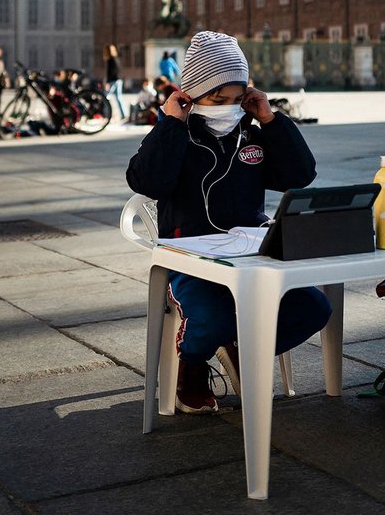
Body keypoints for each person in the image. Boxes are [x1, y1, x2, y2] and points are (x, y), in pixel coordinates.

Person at [126, 31, 331, 413]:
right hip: (189, 258)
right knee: (210, 317)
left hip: (251, 255)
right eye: (218, 100)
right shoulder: (178, 136)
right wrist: (170, 124)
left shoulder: (250, 136)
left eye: (237, 99)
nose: (228, 108)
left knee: (313, 307)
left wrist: (270, 121)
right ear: (192, 95)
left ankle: (238, 344)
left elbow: (299, 175)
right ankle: (192, 364)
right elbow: (147, 181)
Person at [103, 43, 126, 121]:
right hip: (119, 80)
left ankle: (108, 114)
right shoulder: (116, 58)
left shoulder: (110, 60)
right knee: (119, 98)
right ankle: (123, 114)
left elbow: (110, 72)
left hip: (113, 81)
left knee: (106, 97)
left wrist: (107, 82)